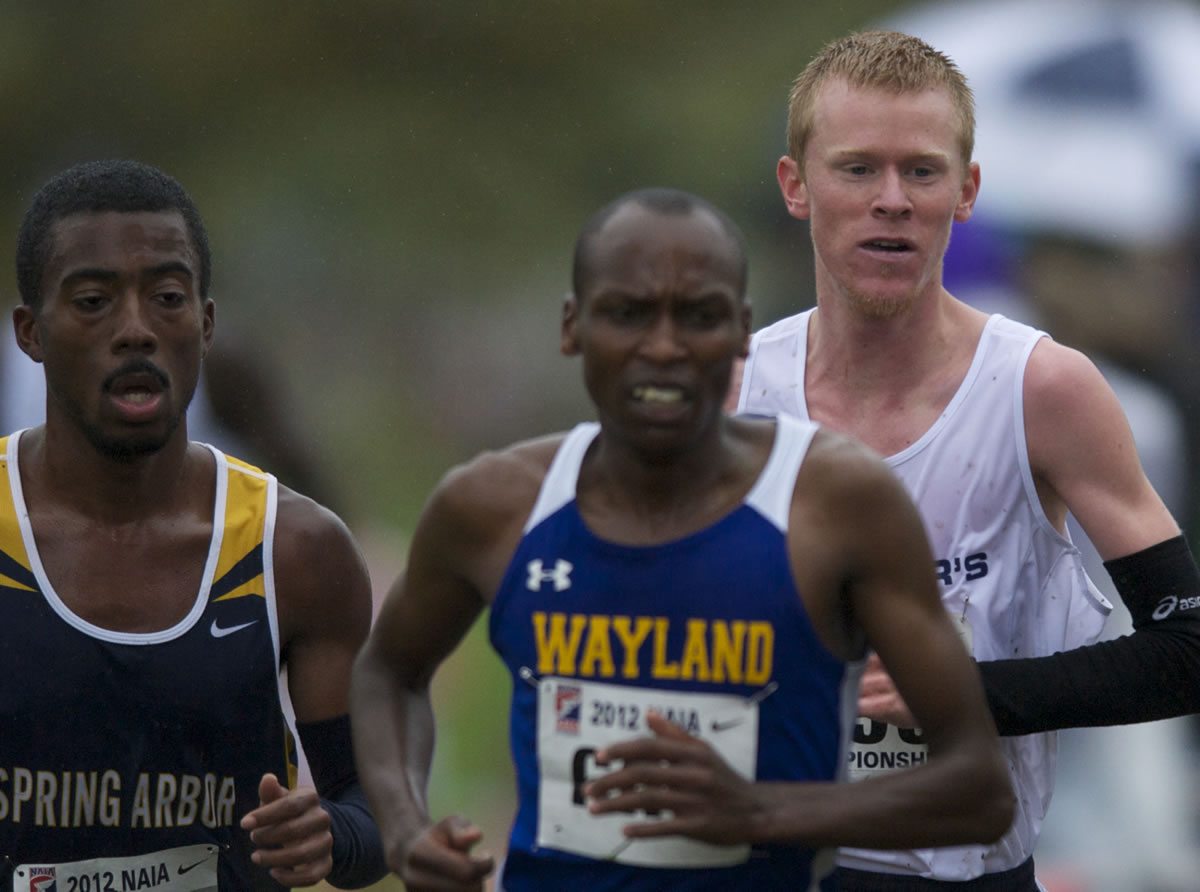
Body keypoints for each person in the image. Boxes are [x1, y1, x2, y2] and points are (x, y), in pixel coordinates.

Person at [350, 186, 1014, 892]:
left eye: (697, 317)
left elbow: (979, 791)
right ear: (573, 327)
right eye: (629, 314)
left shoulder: (837, 504)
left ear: (740, 333)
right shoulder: (492, 507)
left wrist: (763, 810)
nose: (663, 347)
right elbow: (388, 671)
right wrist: (404, 829)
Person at [730, 29, 1200, 890]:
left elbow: (1187, 648)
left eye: (922, 171)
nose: (892, 200)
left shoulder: (1042, 390)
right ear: (797, 187)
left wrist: (965, 694)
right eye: (857, 168)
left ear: (968, 190)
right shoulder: (733, 393)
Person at [0, 159, 387, 891]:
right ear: (31, 333)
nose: (136, 330)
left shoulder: (297, 552)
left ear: (205, 325)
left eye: (168, 297)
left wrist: (332, 836)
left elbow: (379, 805)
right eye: (92, 301)